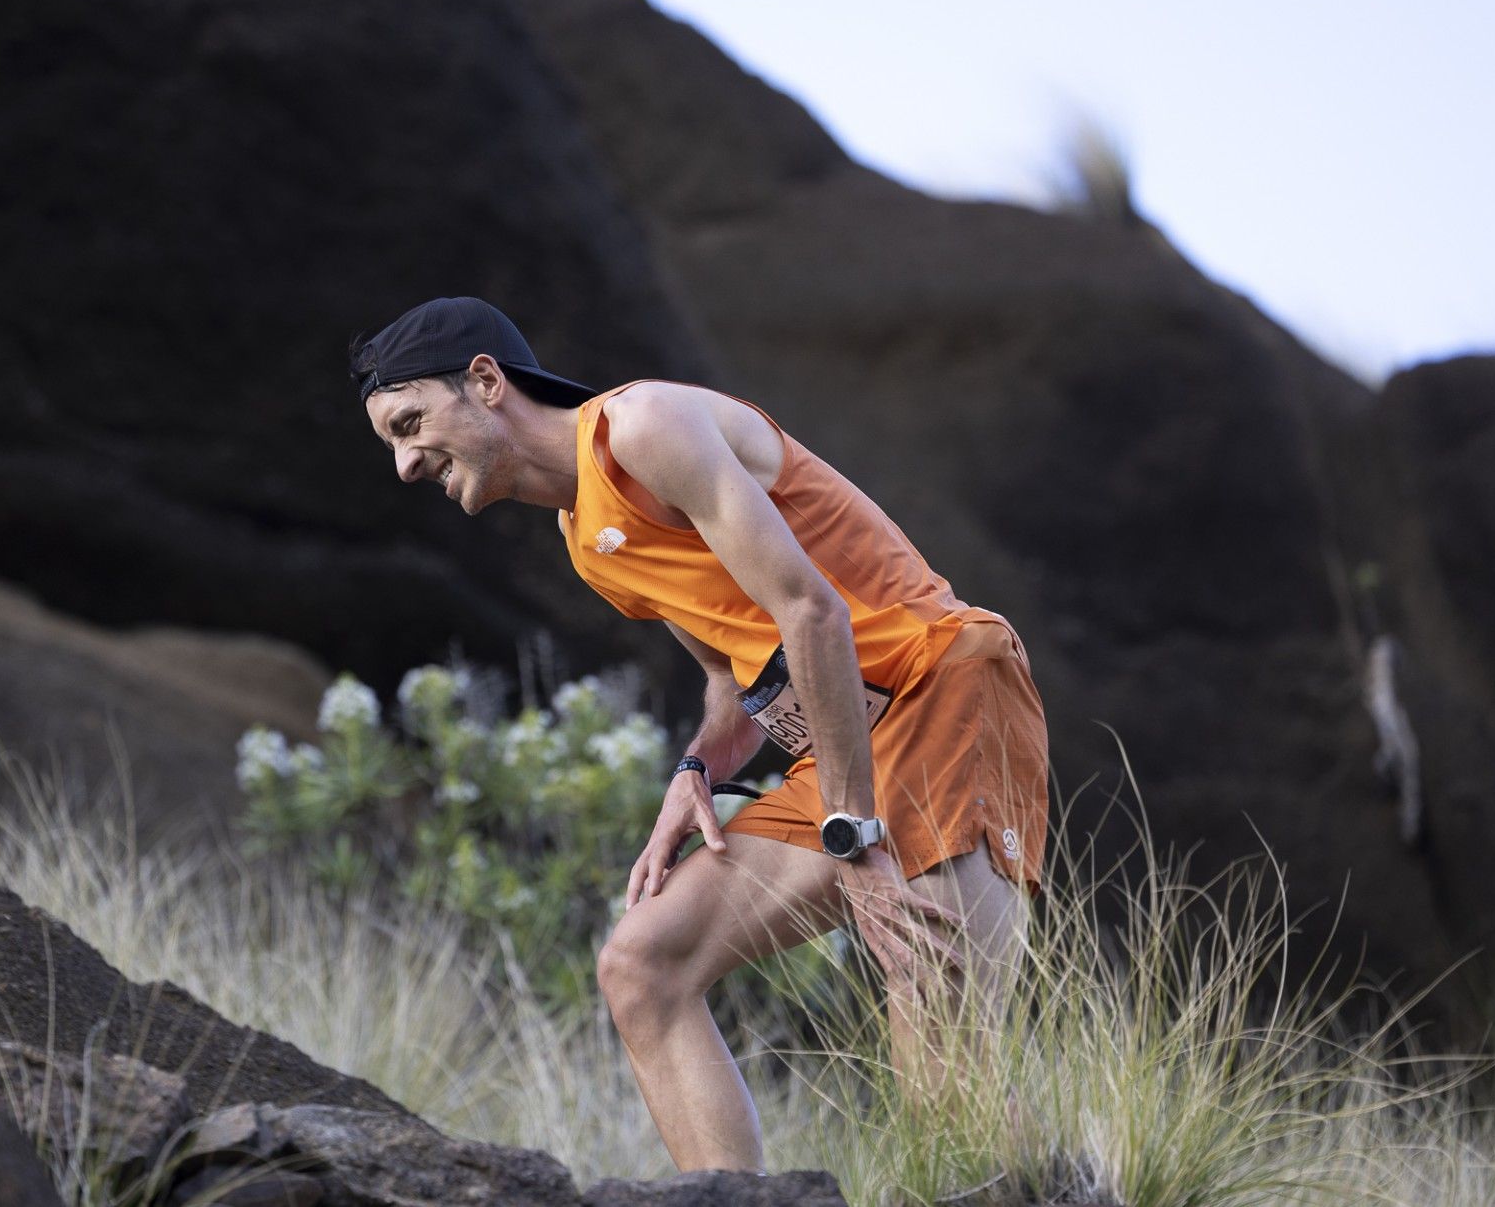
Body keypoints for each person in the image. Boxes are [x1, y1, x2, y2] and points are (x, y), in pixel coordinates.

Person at [352, 296, 1049, 1174]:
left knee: (947, 1076)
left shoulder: (641, 427)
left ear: (486, 381)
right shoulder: (586, 538)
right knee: (644, 966)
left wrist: (853, 834)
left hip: (942, 691)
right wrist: (698, 766)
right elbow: (734, 681)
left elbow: (812, 610)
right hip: (846, 755)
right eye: (391, 444)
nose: (407, 464)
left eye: (410, 424)